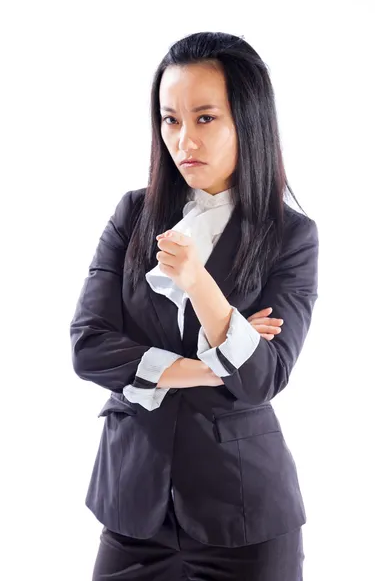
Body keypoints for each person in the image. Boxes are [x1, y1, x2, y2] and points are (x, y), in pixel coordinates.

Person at [70, 31, 319, 581]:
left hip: (245, 516)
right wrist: (209, 365)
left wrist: (197, 281)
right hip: (133, 507)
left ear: (247, 120)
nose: (184, 140)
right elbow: (88, 346)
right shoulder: (132, 214)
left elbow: (260, 379)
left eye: (205, 118)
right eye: (170, 120)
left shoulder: (291, 237)